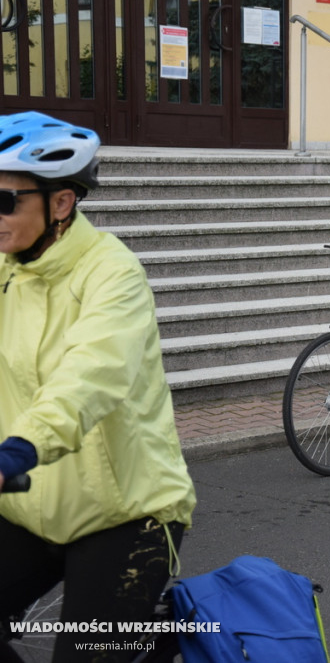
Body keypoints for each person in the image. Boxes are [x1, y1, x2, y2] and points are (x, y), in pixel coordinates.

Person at [0, 112, 196, 661]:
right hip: (30, 503)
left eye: (5, 201)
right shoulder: (6, 268)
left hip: (128, 513)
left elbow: (90, 375)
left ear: (60, 203)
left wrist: (15, 451)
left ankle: (158, 644)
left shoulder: (112, 272)